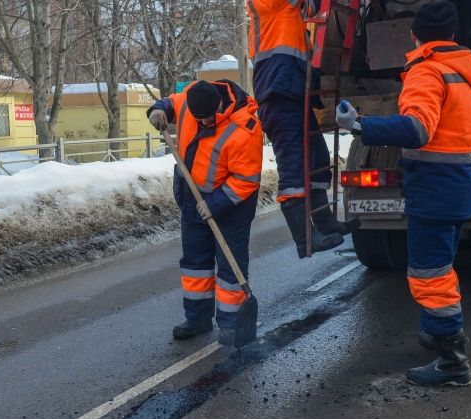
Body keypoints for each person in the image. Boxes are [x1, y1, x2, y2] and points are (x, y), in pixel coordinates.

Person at [336, 1, 471, 386]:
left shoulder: (427, 71)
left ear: (415, 34)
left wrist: (360, 124)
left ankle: (452, 362)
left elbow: (417, 130)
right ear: (455, 34)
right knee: (441, 265)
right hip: (465, 185)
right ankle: (435, 331)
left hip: (435, 187)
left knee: (429, 274)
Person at [147, 80, 263, 346]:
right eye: (199, 118)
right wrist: (158, 109)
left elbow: (246, 179)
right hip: (192, 198)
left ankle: (232, 325)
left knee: (229, 269)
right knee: (195, 264)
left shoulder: (244, 128)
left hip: (231, 206)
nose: (204, 122)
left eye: (208, 117)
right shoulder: (191, 99)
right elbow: (171, 102)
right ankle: (197, 319)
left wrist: (216, 204)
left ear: (219, 105)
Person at [247, 0, 357, 259]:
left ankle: (325, 223)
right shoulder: (270, 6)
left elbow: (314, 7)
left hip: (294, 96)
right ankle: (304, 239)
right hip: (279, 98)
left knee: (317, 159)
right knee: (294, 172)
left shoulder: (289, 15)